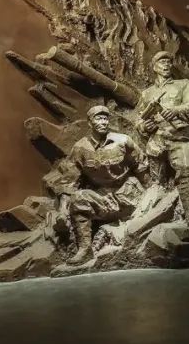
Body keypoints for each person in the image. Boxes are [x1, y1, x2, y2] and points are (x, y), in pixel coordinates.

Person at [46, 105, 146, 265]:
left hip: (130, 197)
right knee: (78, 199)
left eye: (105, 118)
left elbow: (141, 167)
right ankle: (85, 250)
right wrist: (63, 210)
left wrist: (152, 193)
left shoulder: (123, 141)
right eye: (99, 118)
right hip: (103, 200)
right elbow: (69, 182)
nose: (103, 122)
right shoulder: (80, 148)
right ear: (90, 123)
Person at [134, 51, 189, 225]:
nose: (166, 65)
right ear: (154, 67)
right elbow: (139, 119)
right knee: (156, 182)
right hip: (157, 140)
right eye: (161, 62)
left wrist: (176, 110)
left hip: (179, 136)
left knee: (186, 171)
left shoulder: (183, 84)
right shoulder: (147, 93)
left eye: (168, 62)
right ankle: (157, 215)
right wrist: (144, 127)